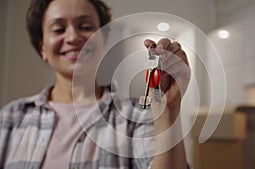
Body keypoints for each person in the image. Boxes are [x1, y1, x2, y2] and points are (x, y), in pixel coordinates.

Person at [0, 0, 191, 168]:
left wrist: (167, 112)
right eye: (58, 29)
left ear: (103, 39)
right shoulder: (10, 117)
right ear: (42, 47)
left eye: (85, 26)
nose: (73, 37)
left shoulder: (136, 116)